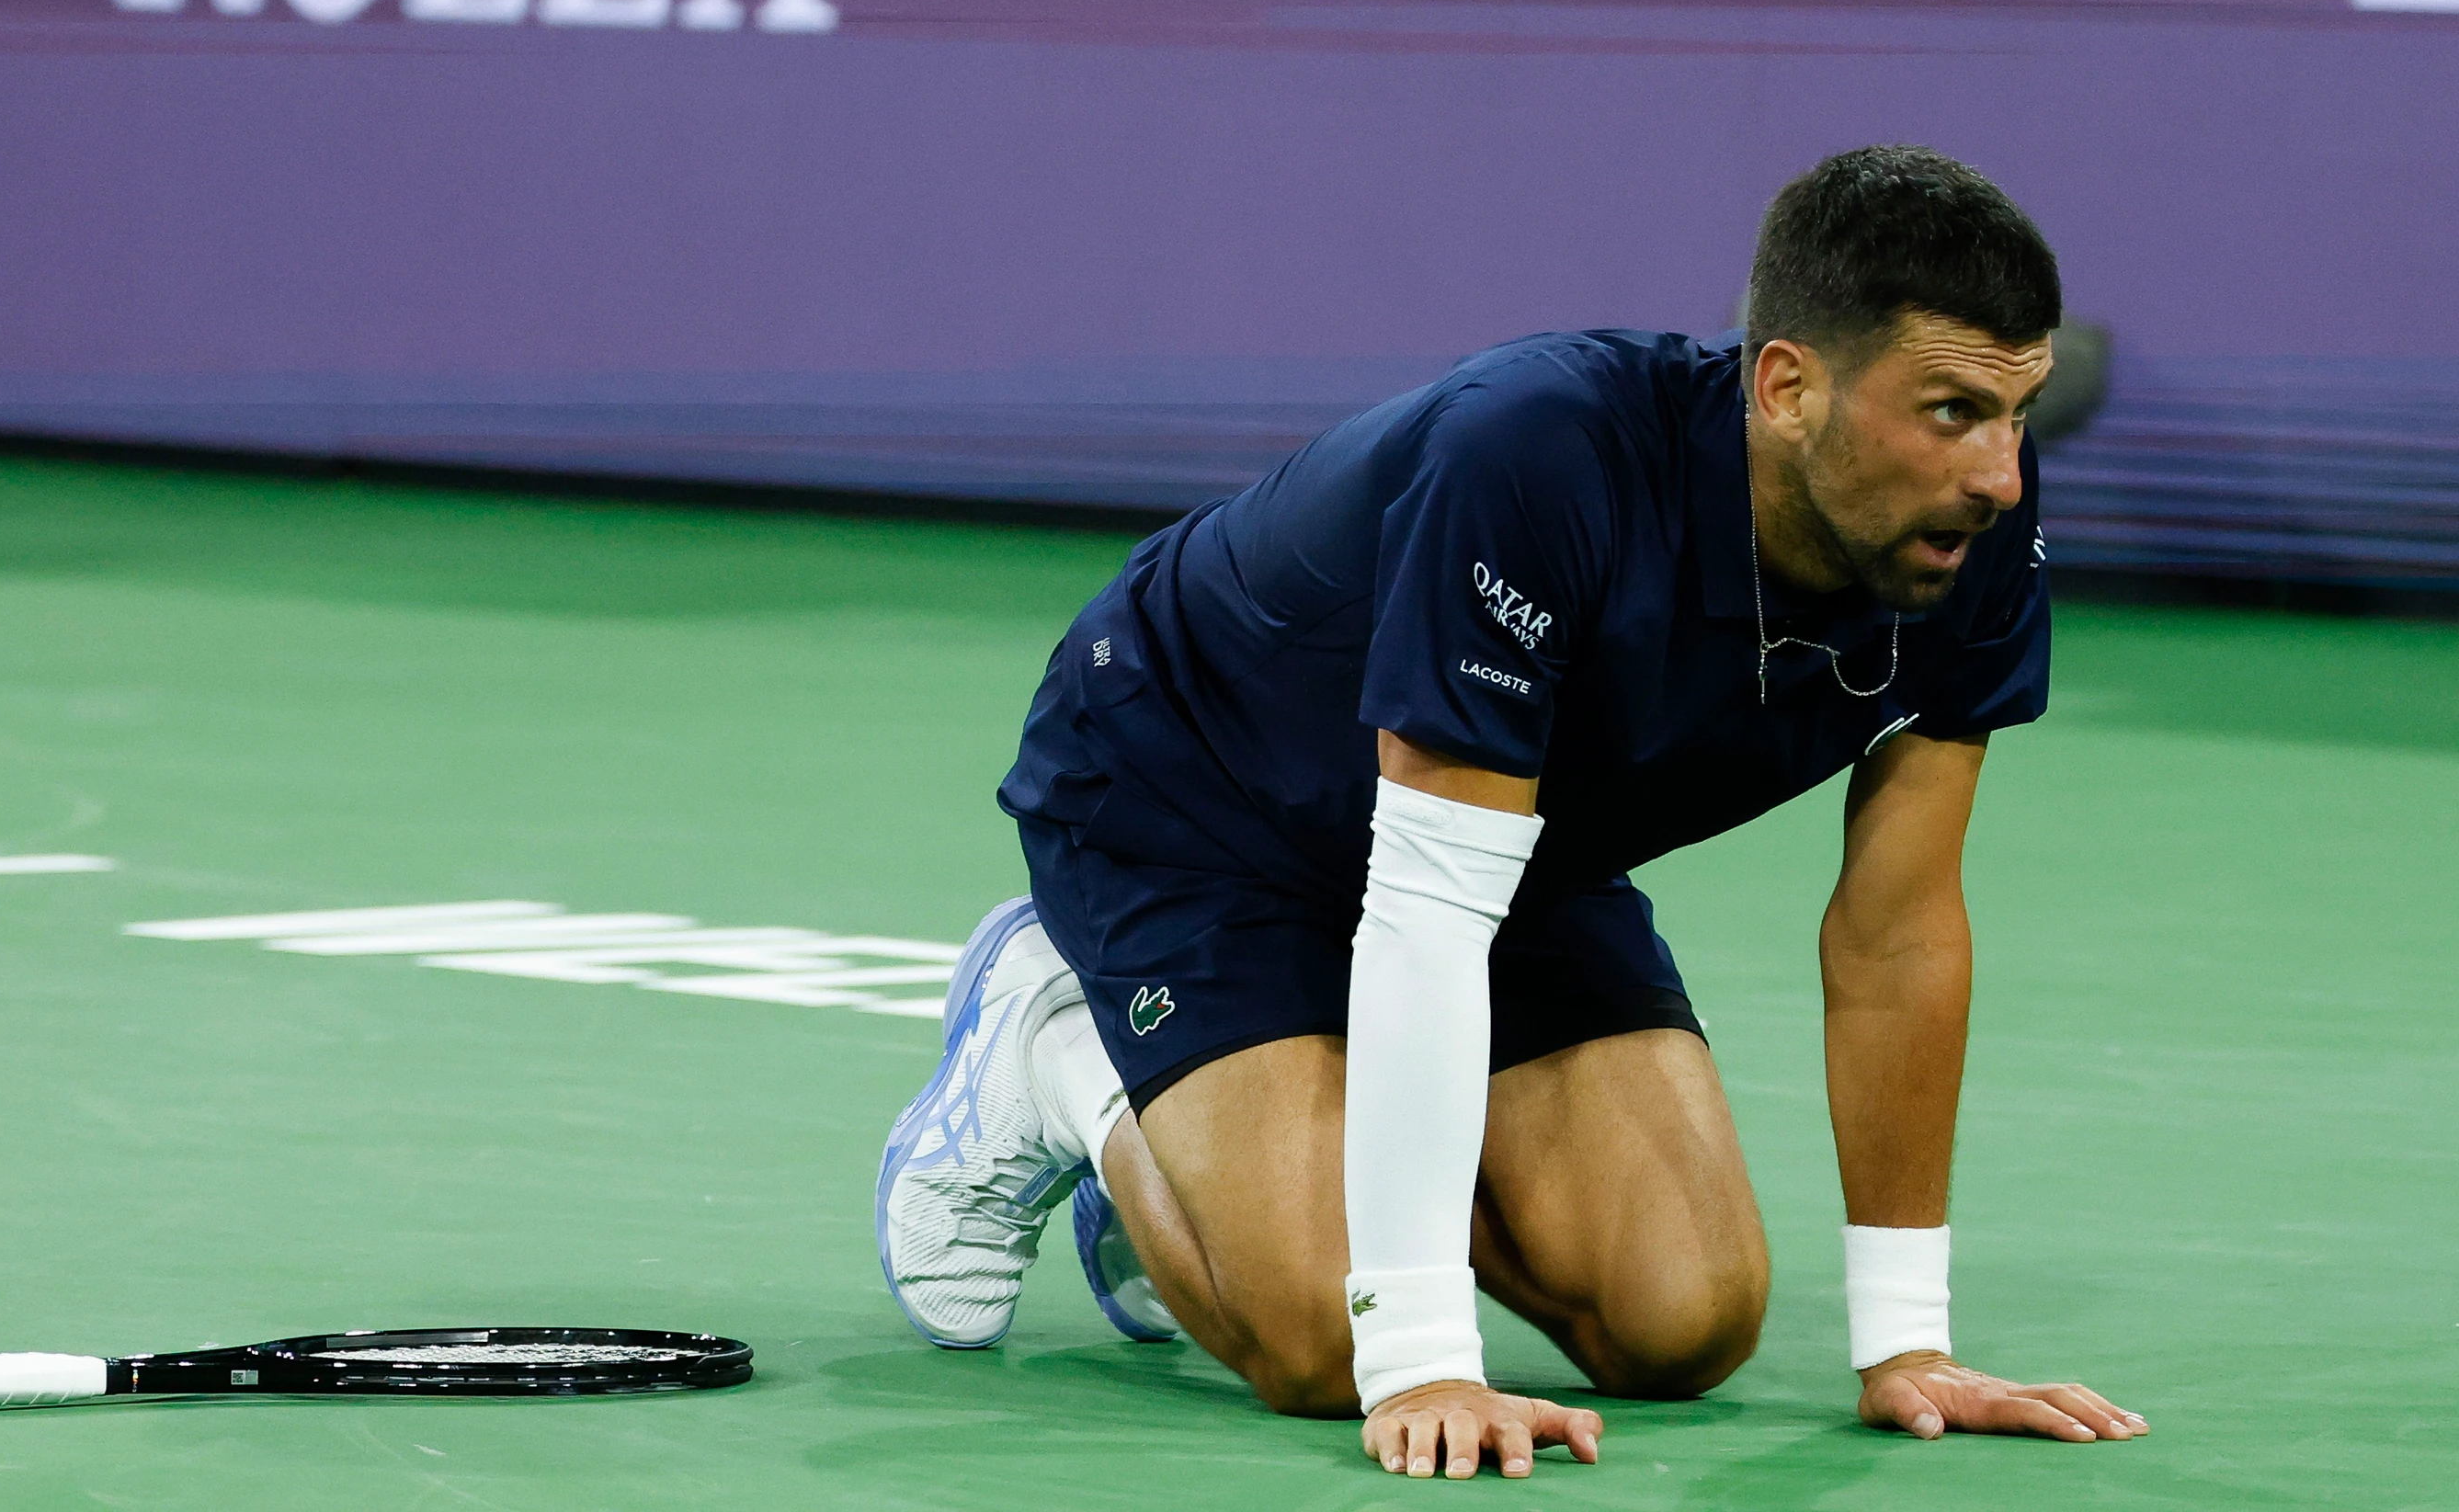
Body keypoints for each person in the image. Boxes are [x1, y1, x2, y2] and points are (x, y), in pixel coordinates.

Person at [875, 145, 2146, 1481]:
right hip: (1198, 795)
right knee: (1327, 1339)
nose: (2000, 472)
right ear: (1786, 387)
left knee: (1683, 1319)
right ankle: (1066, 1043)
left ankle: (1233, 1145)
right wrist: (1421, 1351)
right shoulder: (1537, 452)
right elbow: (1427, 911)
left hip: (1512, 830)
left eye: (2019, 413)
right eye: (1951, 411)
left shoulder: (1970, 526)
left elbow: (1895, 932)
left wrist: (1909, 1345)